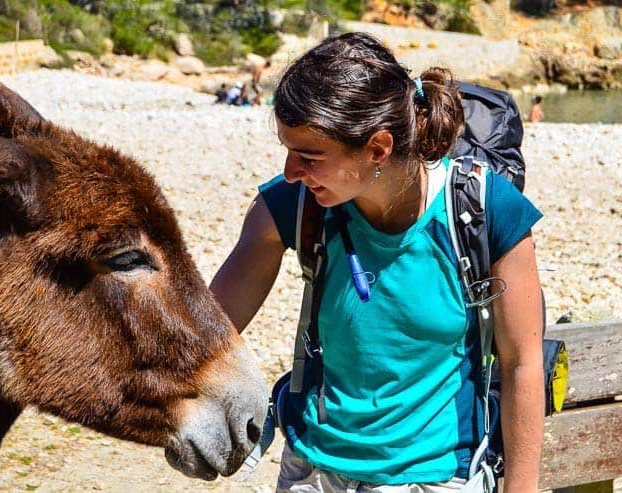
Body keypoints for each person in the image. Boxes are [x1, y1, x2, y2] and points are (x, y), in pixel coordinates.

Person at [211, 32, 544, 492]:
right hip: (313, 473)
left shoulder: (486, 210)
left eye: (308, 156)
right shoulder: (296, 205)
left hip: (436, 478)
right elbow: (205, 332)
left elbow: (522, 362)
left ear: (378, 149)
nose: (289, 172)